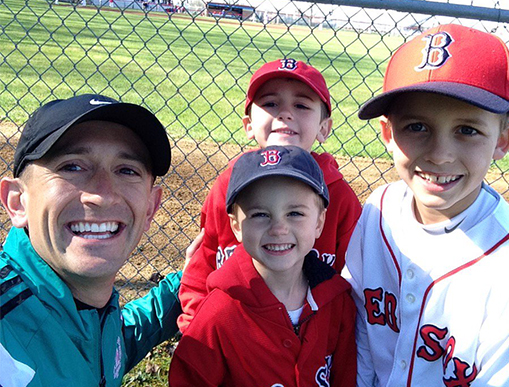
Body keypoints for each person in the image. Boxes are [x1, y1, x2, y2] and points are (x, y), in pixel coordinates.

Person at [343, 24, 509, 386]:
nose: (440, 155)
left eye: (467, 130)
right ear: (387, 134)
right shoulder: (377, 213)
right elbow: (362, 337)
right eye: (416, 127)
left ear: (502, 140)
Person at [0, 94, 193, 387]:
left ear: (151, 207)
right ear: (17, 202)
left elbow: (103, 349)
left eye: (126, 170)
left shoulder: (92, 316)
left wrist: (194, 275)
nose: (103, 195)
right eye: (72, 167)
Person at [178, 58, 362, 331]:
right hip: (233, 330)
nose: (285, 114)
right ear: (248, 124)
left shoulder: (340, 196)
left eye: (301, 105)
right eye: (270, 104)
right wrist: (198, 326)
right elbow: (203, 263)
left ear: (324, 128)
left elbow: (355, 283)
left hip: (311, 338)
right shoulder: (229, 183)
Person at [169, 145, 357, 387]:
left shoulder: (336, 302)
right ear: (236, 226)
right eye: (260, 214)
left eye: (295, 213)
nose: (278, 229)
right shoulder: (219, 314)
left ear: (319, 222)